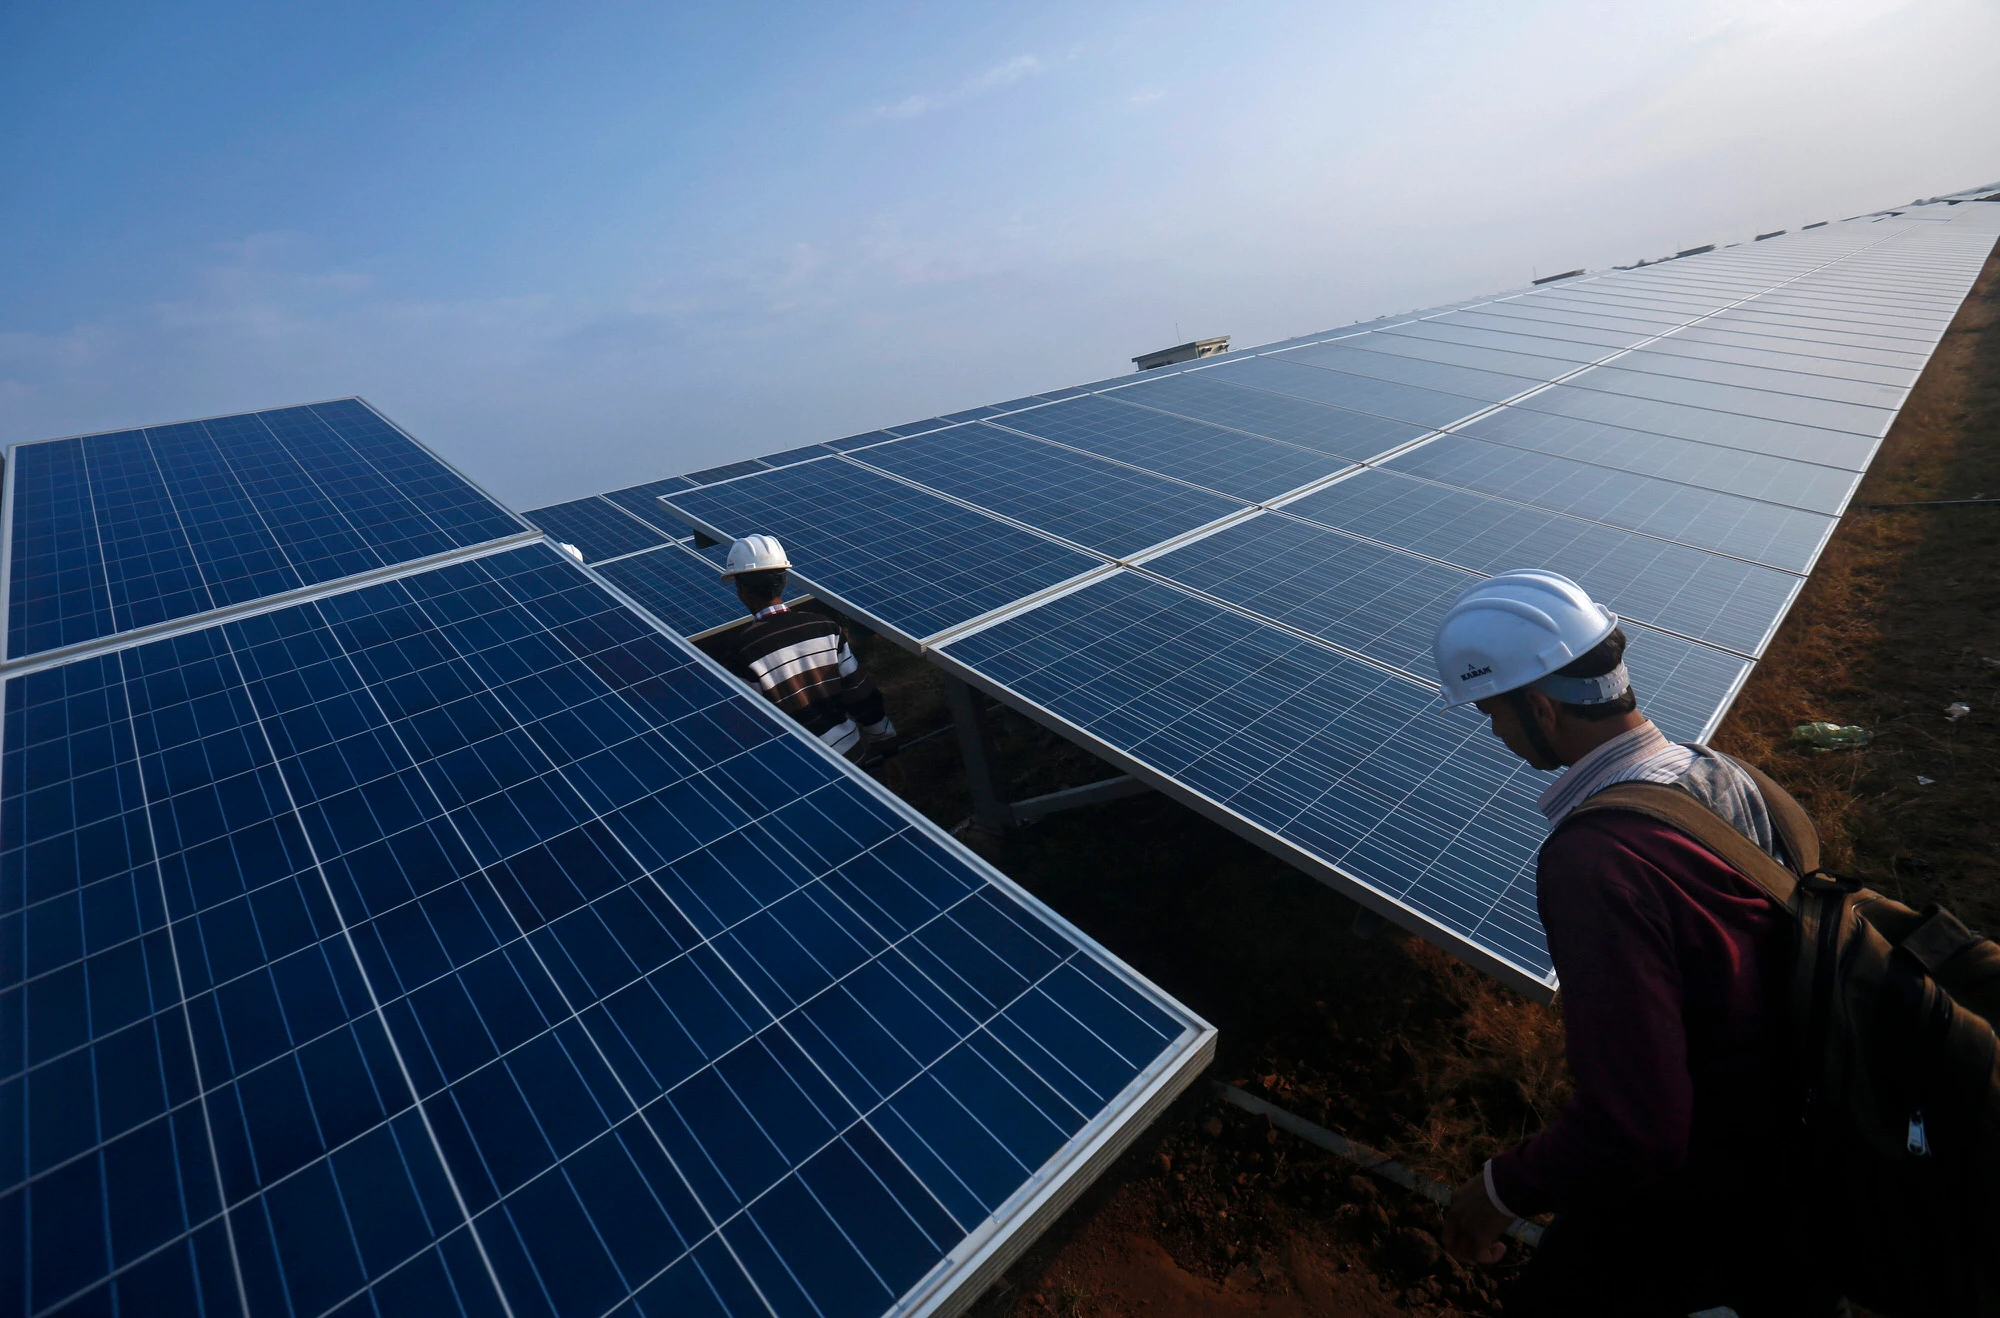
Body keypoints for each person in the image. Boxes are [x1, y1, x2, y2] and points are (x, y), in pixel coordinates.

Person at [1431, 570, 1843, 1318]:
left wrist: (1499, 1191)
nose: (1494, 734)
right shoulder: (1733, 778)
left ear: (1540, 708)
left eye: (1494, 713)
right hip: (1805, 1174)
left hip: (1699, 1217)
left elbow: (1638, 1126)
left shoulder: (1599, 860)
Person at [710, 534, 898, 760]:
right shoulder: (825, 627)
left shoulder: (742, 652)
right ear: (784, 581)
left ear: (742, 590)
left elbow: (751, 725)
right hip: (851, 756)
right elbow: (859, 692)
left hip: (801, 766)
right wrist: (886, 743)